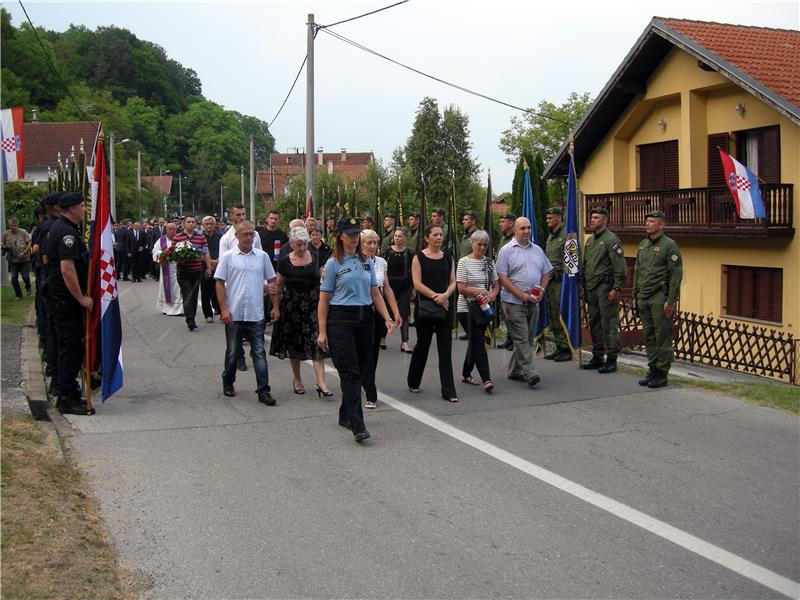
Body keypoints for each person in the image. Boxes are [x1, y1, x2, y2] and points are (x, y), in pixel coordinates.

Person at [317, 217, 394, 443]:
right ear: (340, 236)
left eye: (356, 233)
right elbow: (323, 300)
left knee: (359, 370)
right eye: (349, 233)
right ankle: (357, 424)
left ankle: (345, 413)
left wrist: (387, 317)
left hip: (365, 319)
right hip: (341, 320)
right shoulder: (333, 264)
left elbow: (375, 292)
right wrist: (322, 331)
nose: (353, 237)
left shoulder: (366, 261)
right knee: (350, 372)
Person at [215, 220, 277, 406]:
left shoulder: (262, 256)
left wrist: (275, 306)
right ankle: (228, 380)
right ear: (237, 236)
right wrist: (224, 309)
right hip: (234, 314)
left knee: (259, 353)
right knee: (233, 353)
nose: (249, 237)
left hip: (255, 313)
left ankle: (263, 390)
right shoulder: (228, 257)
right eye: (245, 234)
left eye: (252, 234)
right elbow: (219, 283)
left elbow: (272, 281)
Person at [45, 192, 94, 415]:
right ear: (73, 209)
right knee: (71, 346)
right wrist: (80, 297)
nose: (84, 210)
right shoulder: (66, 232)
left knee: (68, 345)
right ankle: (66, 397)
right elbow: (67, 269)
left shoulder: (62, 228)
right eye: (82, 206)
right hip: (65, 299)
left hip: (60, 298)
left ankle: (68, 391)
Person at [269, 227, 333, 397]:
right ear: (291, 244)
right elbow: (278, 287)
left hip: (314, 304)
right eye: (299, 245)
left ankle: (321, 382)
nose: (303, 248)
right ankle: (297, 378)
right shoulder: (284, 262)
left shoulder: (316, 257)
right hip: (292, 307)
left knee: (317, 341)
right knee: (294, 343)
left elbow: (323, 280)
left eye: (304, 244)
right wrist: (276, 308)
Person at [495, 217, 552, 388]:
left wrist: (541, 290)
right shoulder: (506, 251)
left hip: (533, 302)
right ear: (515, 230)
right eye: (522, 228)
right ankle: (530, 372)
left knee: (527, 338)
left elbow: (546, 273)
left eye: (528, 228)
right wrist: (520, 294)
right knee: (521, 338)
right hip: (513, 302)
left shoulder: (537, 250)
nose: (526, 231)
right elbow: (502, 277)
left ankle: (514, 370)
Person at [407, 223, 458, 402]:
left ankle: (449, 391)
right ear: (427, 238)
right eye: (435, 235)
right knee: (423, 345)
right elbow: (417, 283)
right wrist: (436, 296)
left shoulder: (448, 258)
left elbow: (453, 281)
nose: (438, 237)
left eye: (440, 234)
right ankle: (413, 380)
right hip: (426, 308)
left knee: (445, 349)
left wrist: (445, 295)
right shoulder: (418, 257)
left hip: (444, 307)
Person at [634, 210, 683, 389]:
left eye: (652, 221)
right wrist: (635, 294)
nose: (647, 224)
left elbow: (676, 275)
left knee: (662, 336)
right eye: (646, 221)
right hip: (644, 296)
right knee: (649, 336)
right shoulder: (643, 245)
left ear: (661, 225)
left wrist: (671, 300)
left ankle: (662, 373)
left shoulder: (669, 246)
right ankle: (652, 369)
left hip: (659, 297)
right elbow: (638, 272)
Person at [581, 207, 627, 373]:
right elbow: (586, 265)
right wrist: (583, 286)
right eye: (592, 217)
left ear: (605, 220)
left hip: (605, 288)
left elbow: (620, 267)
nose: (593, 220)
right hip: (591, 288)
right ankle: (598, 356)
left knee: (609, 324)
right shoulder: (590, 240)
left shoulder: (611, 240)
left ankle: (612, 359)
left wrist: (616, 288)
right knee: (594, 323)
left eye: (596, 218)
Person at [359, 229, 402, 409]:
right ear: (360, 244)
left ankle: (369, 386)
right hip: (358, 309)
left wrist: (395, 312)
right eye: (368, 242)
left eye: (375, 243)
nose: (372, 246)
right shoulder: (355, 262)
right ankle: (364, 383)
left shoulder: (381, 262)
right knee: (360, 352)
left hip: (376, 310)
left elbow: (387, 289)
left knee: (373, 350)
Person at [456, 230, 500, 393]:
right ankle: (486, 379)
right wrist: (480, 291)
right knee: (479, 342)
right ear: (472, 244)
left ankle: (466, 373)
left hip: (483, 308)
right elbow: (461, 288)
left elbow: (496, 285)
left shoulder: (489, 262)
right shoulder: (463, 262)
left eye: (485, 245)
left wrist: (492, 295)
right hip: (466, 308)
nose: (482, 248)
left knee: (475, 341)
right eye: (479, 244)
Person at [172, 215, 212, 331]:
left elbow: (205, 253)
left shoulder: (200, 238)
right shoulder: (177, 238)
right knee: (187, 294)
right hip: (183, 271)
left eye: (193, 222)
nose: (191, 224)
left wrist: (208, 268)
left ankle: (192, 317)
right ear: (183, 224)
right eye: (188, 222)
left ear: (195, 224)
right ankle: (190, 319)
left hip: (197, 271)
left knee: (194, 296)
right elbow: (173, 254)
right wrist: (180, 258)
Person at [543, 207, 572, 362]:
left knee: (561, 314)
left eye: (550, 218)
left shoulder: (567, 235)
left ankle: (567, 347)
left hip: (562, 282)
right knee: (553, 315)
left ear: (559, 218)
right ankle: (560, 346)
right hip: (550, 282)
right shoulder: (551, 237)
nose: (548, 221)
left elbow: (573, 261)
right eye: (547, 218)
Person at [382, 227, 415, 353]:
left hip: (404, 287)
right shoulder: (387, 252)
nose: (397, 238)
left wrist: (413, 288)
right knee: (387, 313)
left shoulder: (410, 253)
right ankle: (382, 337)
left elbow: (413, 271)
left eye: (400, 236)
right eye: (395, 236)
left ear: (405, 238)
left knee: (404, 313)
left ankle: (405, 342)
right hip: (388, 286)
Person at [495, 212, 517, 350]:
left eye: (503, 221)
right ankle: (510, 338)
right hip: (502, 281)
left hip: (512, 281)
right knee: (506, 313)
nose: (500, 224)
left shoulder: (514, 240)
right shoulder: (503, 240)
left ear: (510, 223)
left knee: (513, 312)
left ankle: (515, 340)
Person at [153, 222, 184, 315]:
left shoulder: (180, 239)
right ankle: (166, 308)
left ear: (176, 230)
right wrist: (162, 254)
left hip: (178, 267)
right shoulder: (161, 240)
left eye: (173, 229)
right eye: (169, 229)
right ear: (166, 230)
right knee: (166, 287)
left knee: (179, 288)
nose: (171, 231)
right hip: (166, 268)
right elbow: (155, 251)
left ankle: (179, 309)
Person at [2, 217, 32, 298]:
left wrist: (24, 252)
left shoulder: (23, 232)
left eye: (14, 225)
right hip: (13, 259)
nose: (13, 227)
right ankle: (18, 294)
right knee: (14, 278)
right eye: (11, 225)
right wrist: (3, 246)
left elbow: (29, 243)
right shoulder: (6, 234)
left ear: (18, 225)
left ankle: (28, 287)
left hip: (24, 259)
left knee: (25, 276)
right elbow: (2, 242)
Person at [200, 216, 222, 322]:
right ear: (203, 225)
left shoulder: (220, 236)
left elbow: (224, 251)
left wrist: (217, 261)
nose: (209, 226)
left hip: (219, 266)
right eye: (207, 224)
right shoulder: (200, 237)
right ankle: (208, 314)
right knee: (205, 291)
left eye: (211, 224)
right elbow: (199, 252)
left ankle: (221, 311)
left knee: (219, 289)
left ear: (215, 225)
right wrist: (209, 262)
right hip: (205, 267)